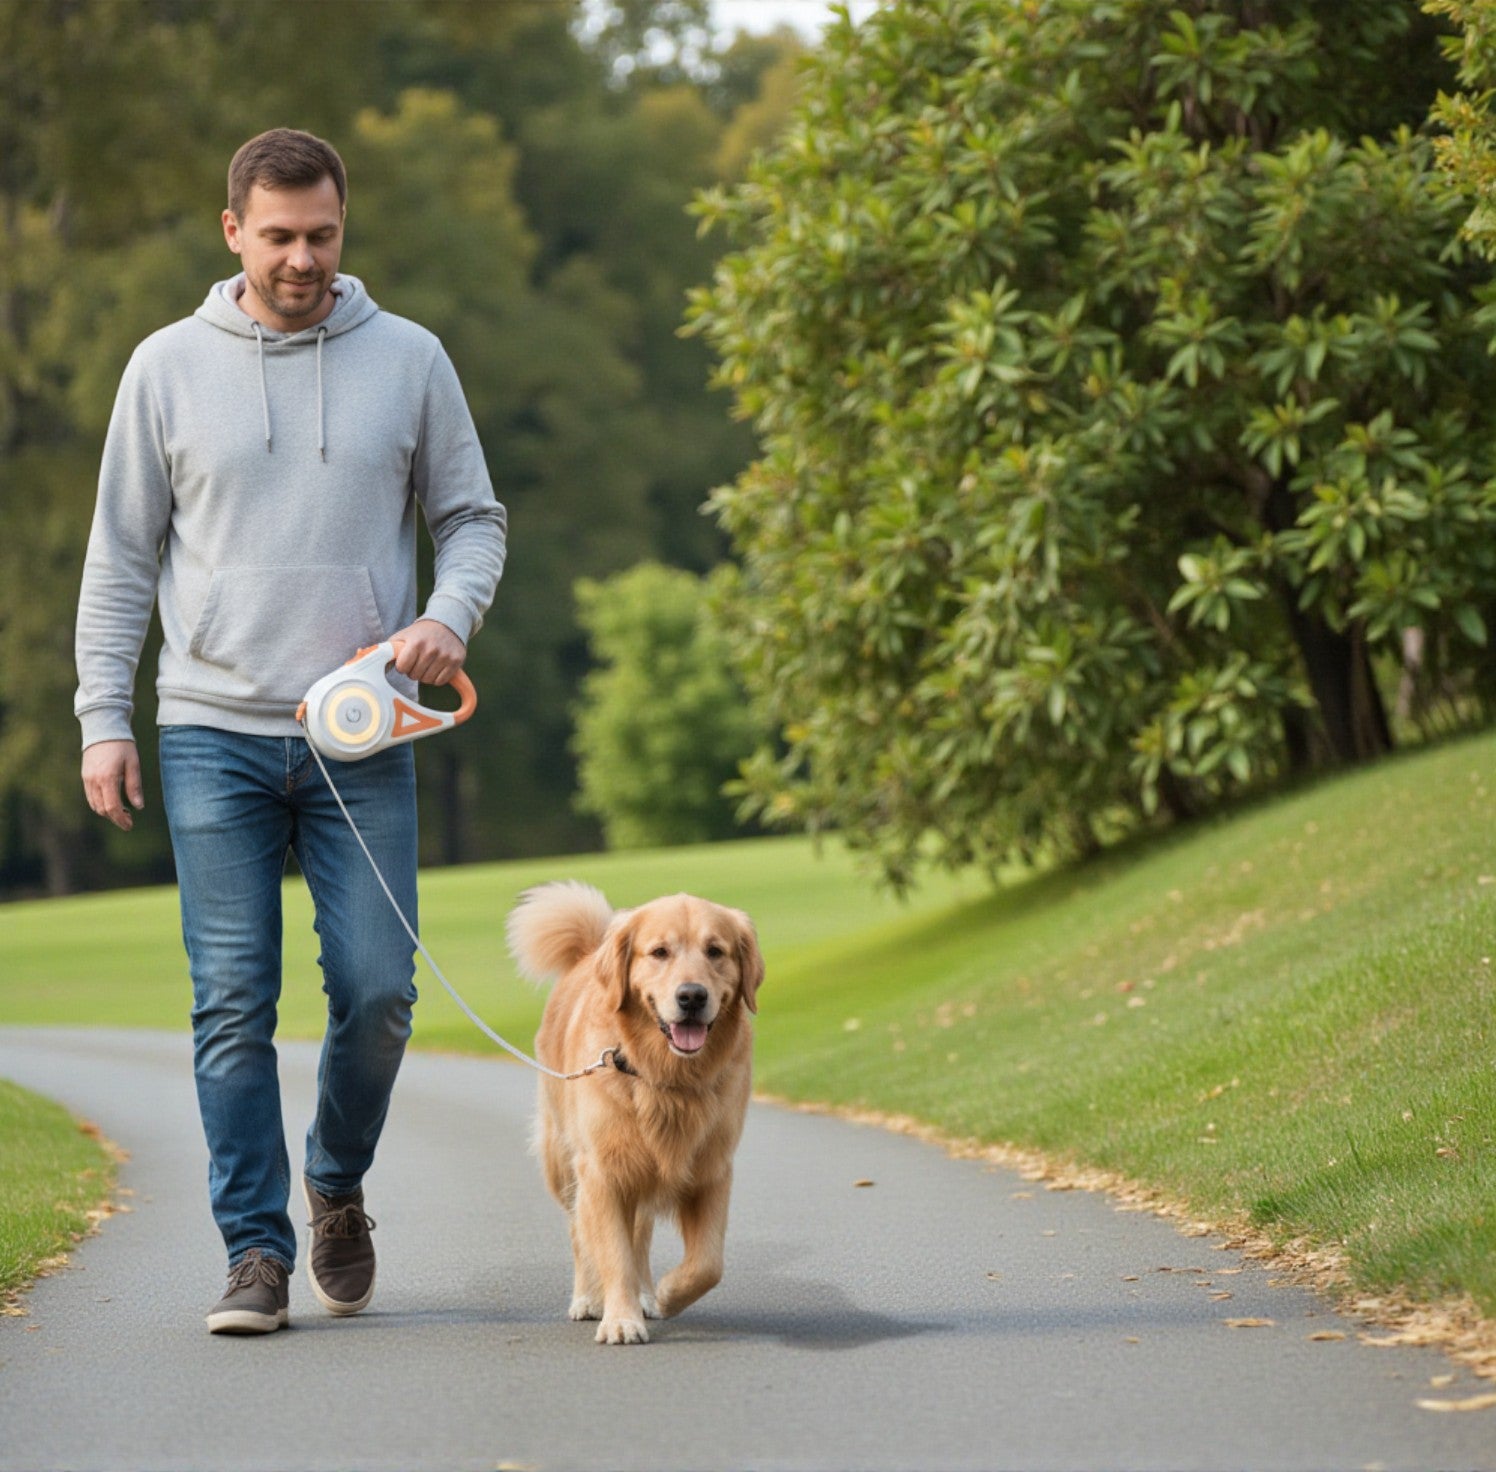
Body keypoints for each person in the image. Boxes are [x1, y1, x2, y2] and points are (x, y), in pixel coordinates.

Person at [74, 128, 506, 1335]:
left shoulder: (410, 358)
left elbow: (474, 519)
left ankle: (334, 1181)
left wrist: (444, 615)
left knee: (377, 992)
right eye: (279, 236)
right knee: (231, 1002)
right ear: (233, 233)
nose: (302, 257)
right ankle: (255, 1253)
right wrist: (104, 715)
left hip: (359, 731)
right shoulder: (164, 368)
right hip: (209, 723)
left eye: (321, 234)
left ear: (342, 227)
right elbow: (119, 559)